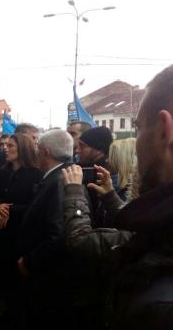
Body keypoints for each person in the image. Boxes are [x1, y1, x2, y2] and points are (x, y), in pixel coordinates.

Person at [62, 64, 173, 329]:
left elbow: (84, 241)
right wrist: (112, 200)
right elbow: (139, 228)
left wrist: (74, 192)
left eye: (137, 129)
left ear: (163, 130)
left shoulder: (161, 308)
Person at [17, 129, 73, 330]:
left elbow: (57, 234)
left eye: (37, 149)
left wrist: (30, 261)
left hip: (46, 275)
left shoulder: (58, 181)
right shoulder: (57, 176)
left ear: (46, 152)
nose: (35, 153)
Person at [0, 133, 42, 329]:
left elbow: (36, 206)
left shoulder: (36, 174)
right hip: (2, 236)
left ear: (23, 149)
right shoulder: (1, 171)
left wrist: (10, 209)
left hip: (22, 237)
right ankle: (5, 314)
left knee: (19, 281)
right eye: (5, 145)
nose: (5, 148)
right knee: (3, 278)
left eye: (11, 145)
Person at [76, 126, 113, 227]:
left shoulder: (97, 175)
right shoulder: (85, 170)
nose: (77, 150)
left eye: (82, 146)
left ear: (99, 150)